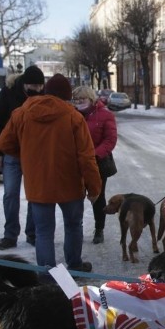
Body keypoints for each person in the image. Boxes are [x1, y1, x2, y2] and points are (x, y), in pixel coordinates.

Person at [0, 74, 102, 272]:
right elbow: (86, 158)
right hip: (69, 183)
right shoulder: (73, 117)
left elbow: (3, 143)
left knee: (43, 231)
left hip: (38, 183)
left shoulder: (22, 113)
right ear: (67, 96)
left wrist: (27, 155)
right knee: (73, 226)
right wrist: (94, 187)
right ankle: (74, 265)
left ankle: (47, 274)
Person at [0, 65, 45, 250]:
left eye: (40, 86)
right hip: (12, 153)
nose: (37, 90)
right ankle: (10, 234)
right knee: (10, 194)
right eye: (33, 85)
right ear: (24, 83)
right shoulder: (8, 92)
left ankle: (32, 233)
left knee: (34, 195)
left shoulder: (43, 96)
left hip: (34, 154)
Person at [72, 85, 118, 244]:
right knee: (75, 196)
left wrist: (94, 154)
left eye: (82, 99)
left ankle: (99, 229)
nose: (79, 102)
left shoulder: (105, 115)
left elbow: (110, 140)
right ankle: (76, 228)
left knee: (97, 197)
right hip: (75, 163)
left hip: (97, 162)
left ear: (91, 99)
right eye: (76, 100)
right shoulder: (72, 114)